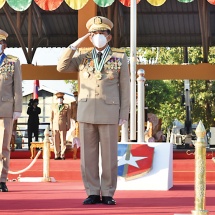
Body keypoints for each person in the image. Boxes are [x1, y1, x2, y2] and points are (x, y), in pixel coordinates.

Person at [57, 16, 130, 205]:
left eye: (102, 33)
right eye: (95, 33)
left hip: (109, 112)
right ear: (90, 37)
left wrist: (124, 114)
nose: (99, 36)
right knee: (88, 157)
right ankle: (91, 191)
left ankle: (107, 193)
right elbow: (61, 67)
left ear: (109, 36)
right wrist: (76, 44)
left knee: (109, 156)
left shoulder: (119, 57)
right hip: (87, 111)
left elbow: (125, 88)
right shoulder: (83, 57)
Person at [0, 29, 22, 192]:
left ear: (4, 45)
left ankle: (1, 179)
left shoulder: (13, 62)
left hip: (5, 109)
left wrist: (18, 109)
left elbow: (17, 87)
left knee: (3, 147)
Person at [50, 92, 71, 160]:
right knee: (56, 140)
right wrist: (51, 125)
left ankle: (62, 154)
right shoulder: (53, 106)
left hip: (63, 125)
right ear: (56, 99)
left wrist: (68, 125)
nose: (60, 100)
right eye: (59, 98)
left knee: (63, 140)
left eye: (61, 98)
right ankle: (56, 154)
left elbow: (68, 117)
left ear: (63, 99)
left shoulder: (66, 106)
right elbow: (51, 117)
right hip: (55, 125)